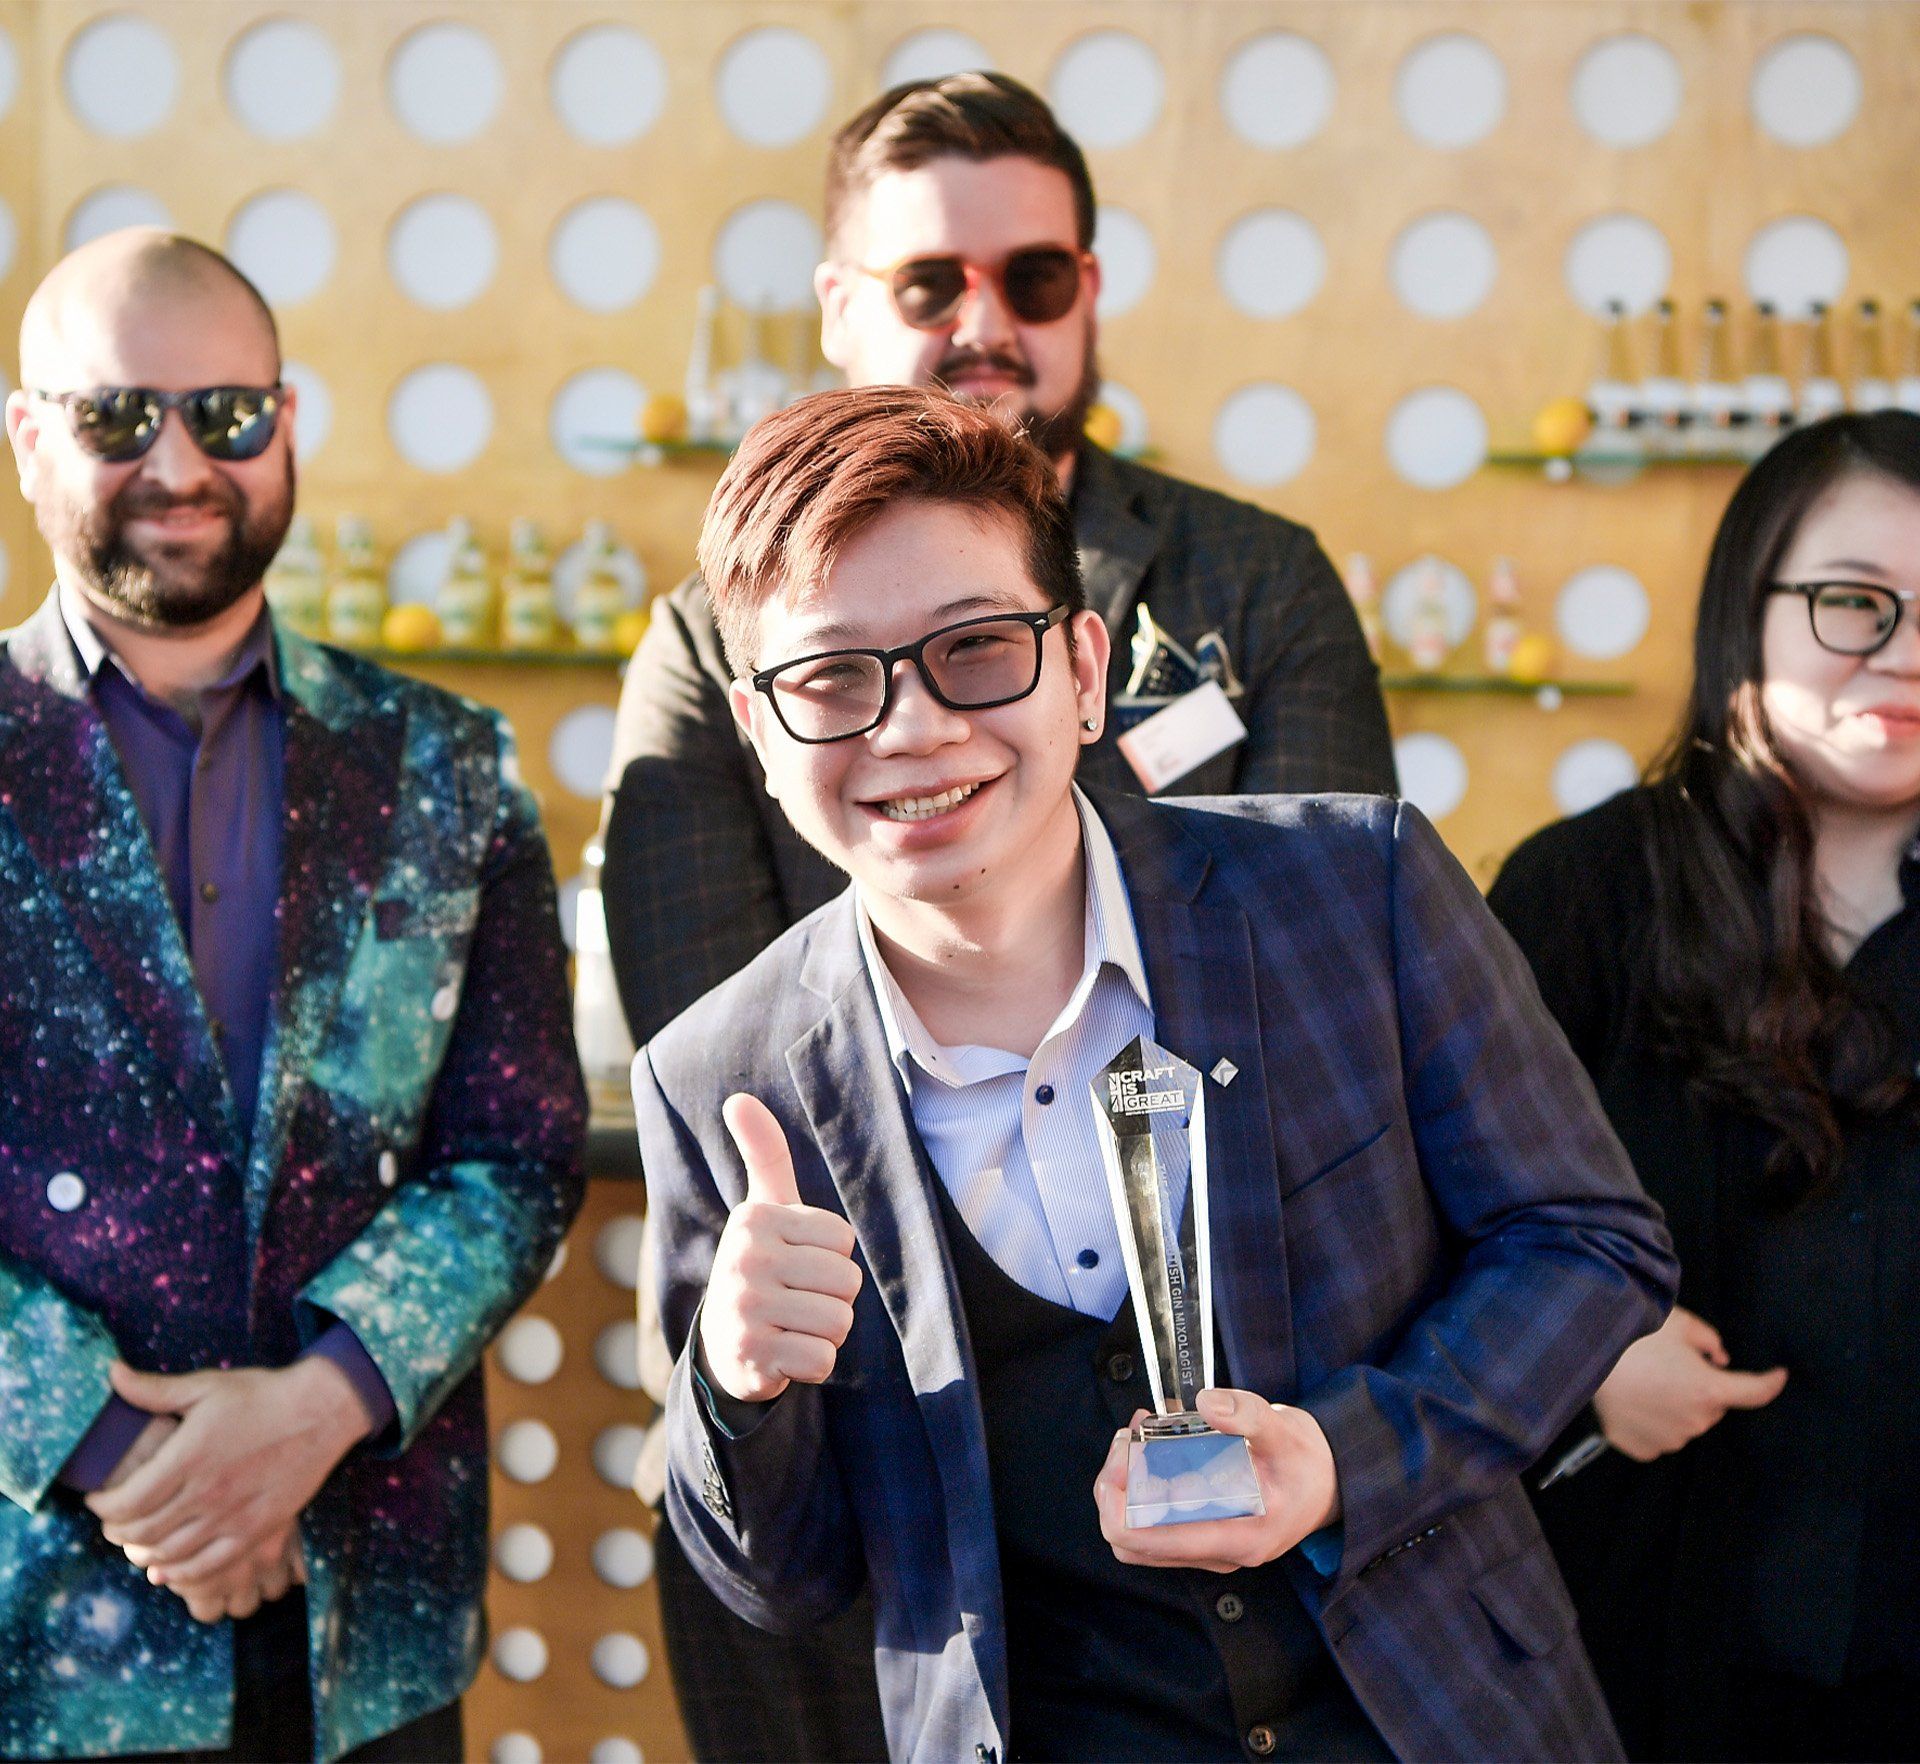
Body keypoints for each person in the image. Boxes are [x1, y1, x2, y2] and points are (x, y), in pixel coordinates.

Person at [636, 384, 1678, 1764]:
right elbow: (780, 1579)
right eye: (832, 679)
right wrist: (735, 1386)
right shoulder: (720, 1077)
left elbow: (1588, 1242)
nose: (912, 727)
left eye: (975, 648)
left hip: (1438, 1716)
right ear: (759, 736)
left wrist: (1349, 1454)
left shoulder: (1351, 889)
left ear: (1080, 668)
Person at [605, 75, 1394, 1756]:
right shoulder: (700, 646)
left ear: (1088, 294)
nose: (983, 323)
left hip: (1283, 1434)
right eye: (925, 285)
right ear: (836, 310)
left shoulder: (1256, 579)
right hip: (896, 1479)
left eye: (1032, 279)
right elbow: (722, 1057)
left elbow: (1323, 1004)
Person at [0, 229, 587, 1762]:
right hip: (37, 1630)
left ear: (287, 423)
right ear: (25, 437)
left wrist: (318, 1406)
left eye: (229, 415)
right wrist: (132, 1454)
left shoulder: (444, 766)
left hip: (369, 1618)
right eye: (121, 416)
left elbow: (518, 1155)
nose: (181, 461)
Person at [1489, 411, 1920, 1761]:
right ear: (1751, 608)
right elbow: (1428, 1213)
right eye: (1856, 602)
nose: (1905, 651)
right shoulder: (1587, 891)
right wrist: (1582, 1356)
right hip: (1644, 1633)